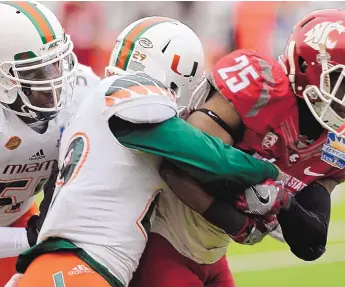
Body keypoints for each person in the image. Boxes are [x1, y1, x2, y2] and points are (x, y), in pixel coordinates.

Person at [12, 16, 282, 287]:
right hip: (82, 266)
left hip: (67, 264)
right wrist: (268, 170)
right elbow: (209, 157)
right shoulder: (132, 98)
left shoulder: (99, 102)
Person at [131, 9, 345, 287]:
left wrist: (283, 202)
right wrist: (237, 217)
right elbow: (179, 164)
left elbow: (311, 243)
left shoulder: (333, 148)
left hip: (210, 255)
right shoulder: (260, 87)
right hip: (161, 237)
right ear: (306, 66)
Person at [0, 1, 81, 286]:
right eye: (34, 74)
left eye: (55, 65)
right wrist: (33, 236)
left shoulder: (81, 91)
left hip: (19, 217)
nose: (53, 84)